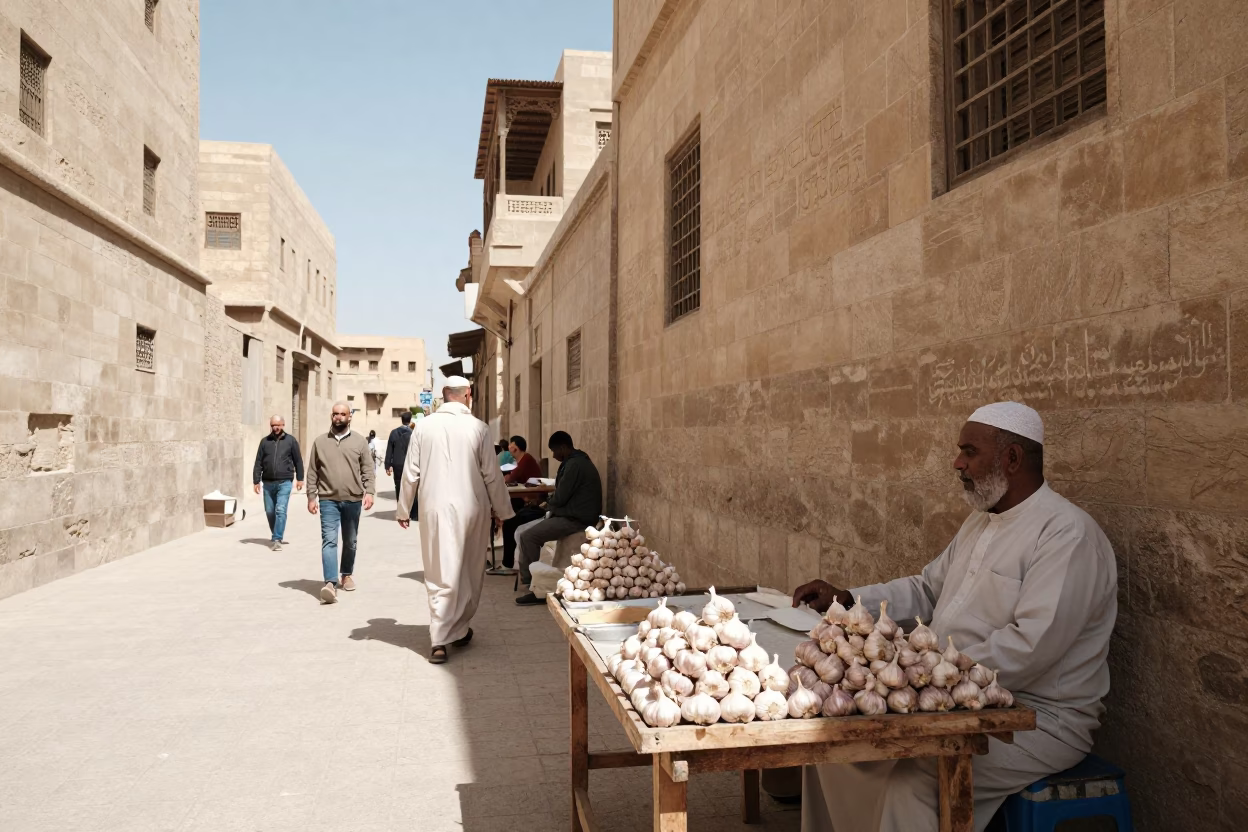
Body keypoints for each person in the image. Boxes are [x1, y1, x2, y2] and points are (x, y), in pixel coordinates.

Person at [791, 402, 1117, 832]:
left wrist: (920, 674)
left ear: (1012, 458)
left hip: (1036, 719)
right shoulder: (980, 523)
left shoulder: (1067, 535)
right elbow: (927, 588)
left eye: (969, 452)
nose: (957, 463)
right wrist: (849, 599)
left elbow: (1030, 649)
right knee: (832, 750)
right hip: (944, 696)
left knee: (908, 782)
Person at [396, 377, 513, 663]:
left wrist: (403, 509)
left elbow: (411, 472)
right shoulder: (479, 428)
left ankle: (451, 632)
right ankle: (444, 635)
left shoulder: (423, 427)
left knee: (438, 572)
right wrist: (504, 510)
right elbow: (491, 474)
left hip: (433, 510)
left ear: (443, 395)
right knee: (468, 571)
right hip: (472, 509)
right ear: (468, 395)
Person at [513, 431, 602, 606]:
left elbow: (560, 497)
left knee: (528, 536)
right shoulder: (576, 461)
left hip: (576, 520)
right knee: (526, 529)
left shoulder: (575, 465)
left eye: (554, 451)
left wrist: (546, 502)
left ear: (563, 447)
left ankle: (535, 587)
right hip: (572, 515)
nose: (553, 456)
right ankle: (532, 581)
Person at [305, 402, 375, 605]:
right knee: (329, 540)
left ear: (349, 416)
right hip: (328, 500)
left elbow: (367, 470)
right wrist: (311, 496)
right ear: (331, 416)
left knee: (350, 541)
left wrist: (369, 491)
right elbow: (312, 472)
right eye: (335, 414)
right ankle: (330, 583)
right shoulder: (320, 442)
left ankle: (346, 574)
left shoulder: (360, 442)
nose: (339, 417)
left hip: (353, 499)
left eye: (343, 414)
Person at [486, 435, 545, 576]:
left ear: (515, 447)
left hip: (532, 503)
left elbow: (511, 477)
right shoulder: (521, 460)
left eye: (511, 446)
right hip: (524, 499)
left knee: (509, 521)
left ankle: (507, 563)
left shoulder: (526, 460)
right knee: (507, 514)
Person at [251, 415, 303, 551]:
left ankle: (277, 538)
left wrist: (300, 479)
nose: (276, 427)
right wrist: (256, 480)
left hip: (285, 481)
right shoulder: (265, 442)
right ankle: (276, 533)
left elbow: (298, 461)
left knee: (280, 510)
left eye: (278, 425)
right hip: (267, 483)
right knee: (269, 511)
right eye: (273, 425)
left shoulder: (291, 441)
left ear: (283, 425)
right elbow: (258, 462)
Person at [384, 411, 417, 516]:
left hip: (397, 464)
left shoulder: (394, 433)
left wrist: (387, 465)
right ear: (410, 420)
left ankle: (401, 510)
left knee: (398, 486)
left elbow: (389, 449)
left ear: (401, 420)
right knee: (412, 486)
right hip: (411, 464)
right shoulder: (413, 433)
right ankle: (413, 512)